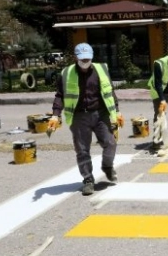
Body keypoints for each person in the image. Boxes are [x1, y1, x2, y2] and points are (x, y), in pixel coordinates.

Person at [48, 43, 124, 196]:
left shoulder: (101, 70)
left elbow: (110, 91)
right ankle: (88, 180)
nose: (85, 61)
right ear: (76, 58)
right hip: (79, 116)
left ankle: (108, 166)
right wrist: (55, 114)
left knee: (110, 143)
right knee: (82, 150)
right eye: (82, 59)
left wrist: (117, 111)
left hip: (101, 114)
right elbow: (60, 95)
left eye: (88, 59)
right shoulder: (66, 73)